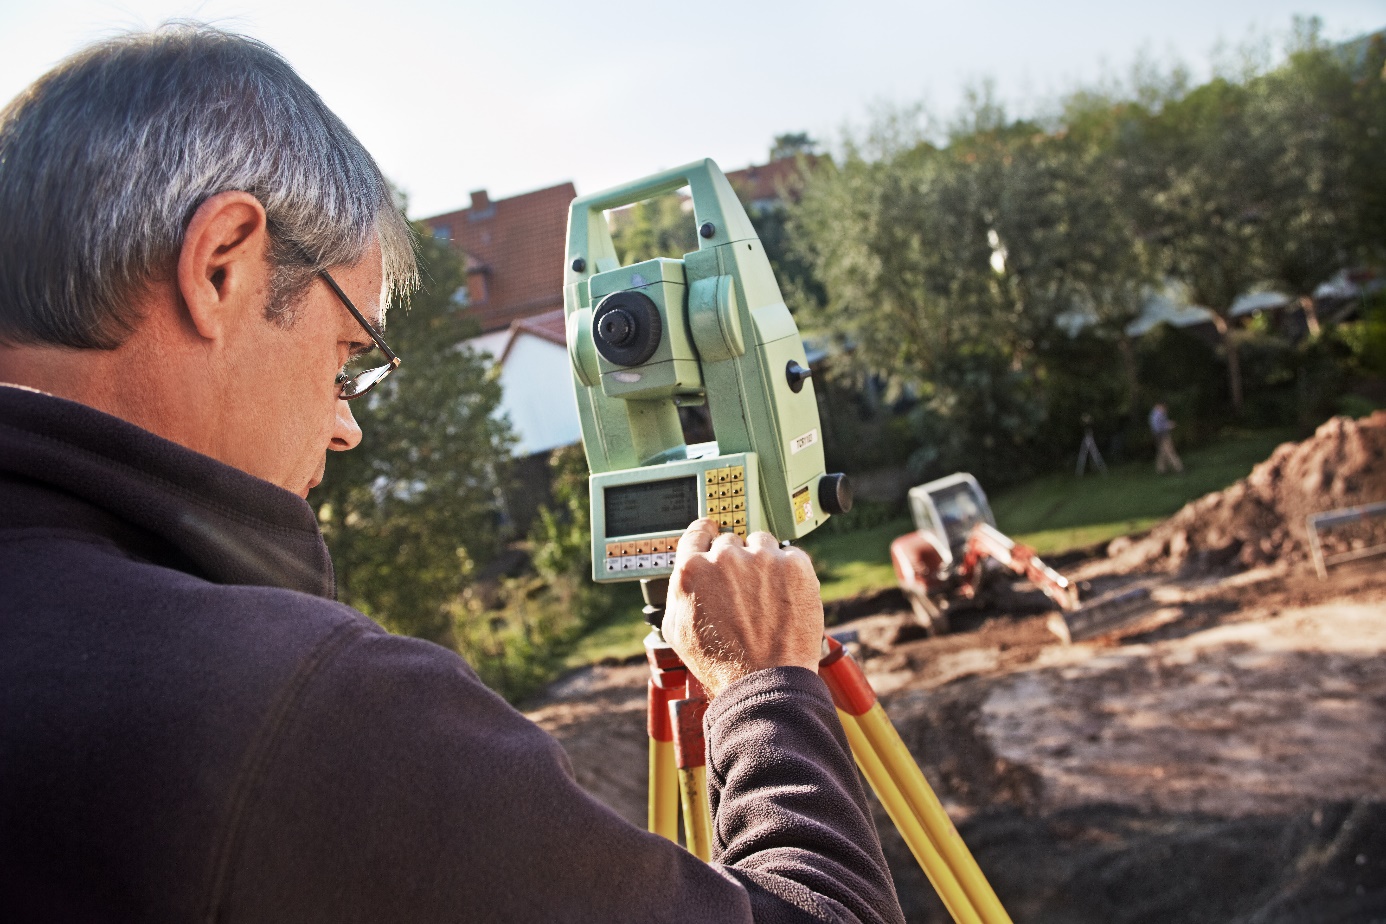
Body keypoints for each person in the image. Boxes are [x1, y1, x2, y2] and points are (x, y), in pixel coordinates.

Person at [0, 26, 904, 924]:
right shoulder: (303, 709)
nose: (344, 424)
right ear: (223, 266)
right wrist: (766, 691)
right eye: (348, 354)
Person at [1149, 402, 1184, 474]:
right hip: (1161, 435)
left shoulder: (1160, 414)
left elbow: (1162, 423)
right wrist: (1168, 426)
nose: (1165, 410)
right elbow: (1158, 427)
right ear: (1159, 406)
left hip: (1162, 435)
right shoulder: (1156, 415)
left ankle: (1161, 470)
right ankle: (1179, 469)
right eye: (1164, 408)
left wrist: (1168, 423)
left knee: (1162, 452)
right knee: (1170, 451)